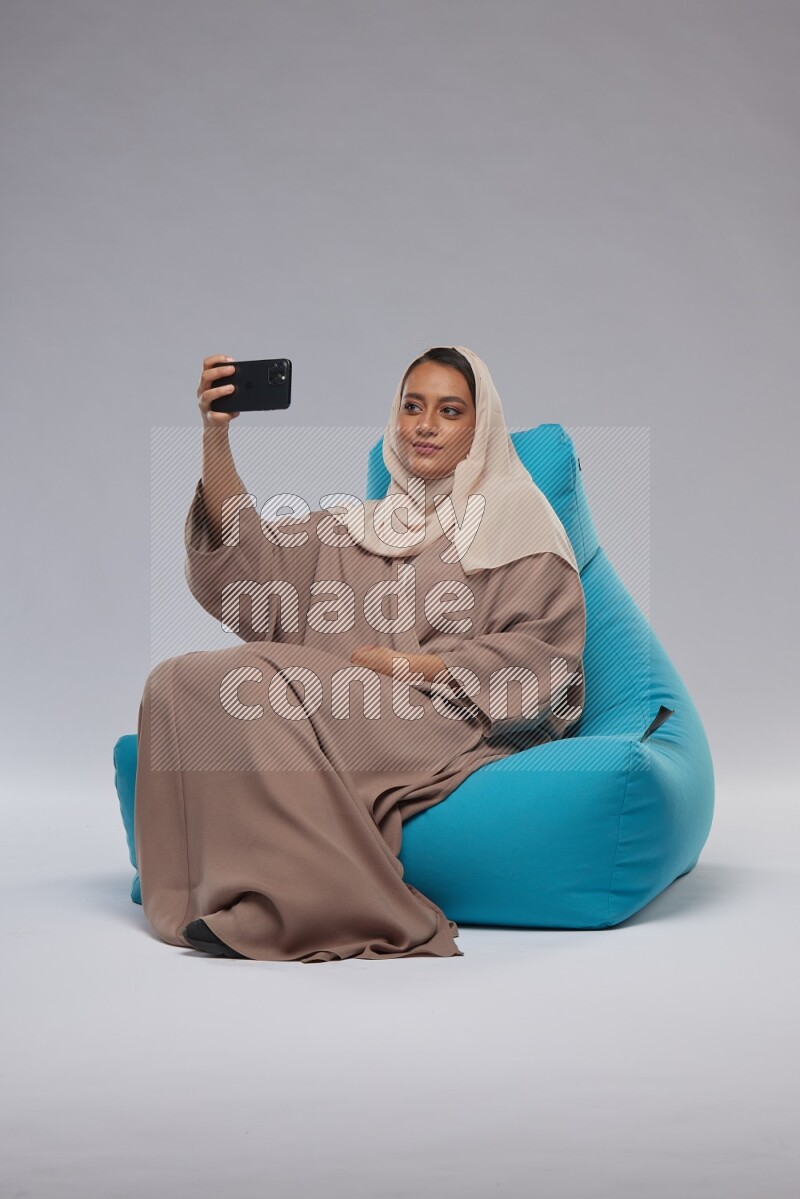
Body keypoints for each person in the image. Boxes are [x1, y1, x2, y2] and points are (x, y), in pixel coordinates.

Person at [133, 345, 587, 962]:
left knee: (257, 684)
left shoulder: (518, 525)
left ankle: (318, 906)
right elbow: (250, 566)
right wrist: (217, 438)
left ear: (481, 429)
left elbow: (547, 663)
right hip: (340, 706)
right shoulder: (358, 526)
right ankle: (217, 891)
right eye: (412, 407)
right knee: (176, 681)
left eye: (450, 411)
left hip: (446, 718)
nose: (425, 425)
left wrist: (418, 667)